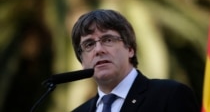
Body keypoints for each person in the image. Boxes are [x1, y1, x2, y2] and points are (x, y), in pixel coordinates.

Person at [71, 9, 199, 112]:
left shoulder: (170, 96)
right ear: (82, 60)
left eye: (108, 40)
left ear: (130, 49)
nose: (98, 50)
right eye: (89, 44)